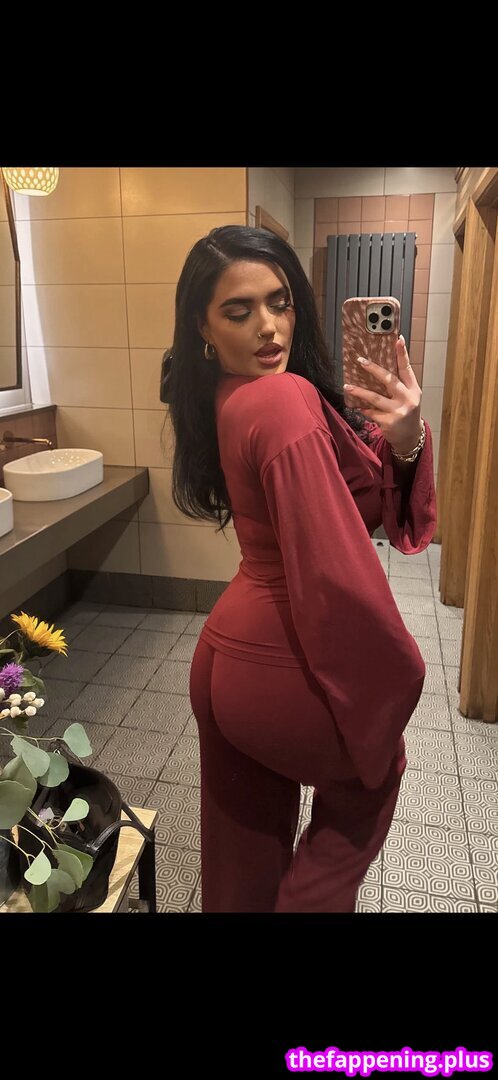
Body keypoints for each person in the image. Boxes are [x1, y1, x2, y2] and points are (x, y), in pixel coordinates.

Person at [163, 225, 436, 913]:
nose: (268, 326)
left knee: (241, 873)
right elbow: (333, 574)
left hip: (227, 657)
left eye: (279, 302)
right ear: (203, 326)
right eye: (239, 311)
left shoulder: (232, 393)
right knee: (371, 783)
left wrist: (403, 437)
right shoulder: (283, 400)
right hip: (280, 661)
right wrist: (396, 677)